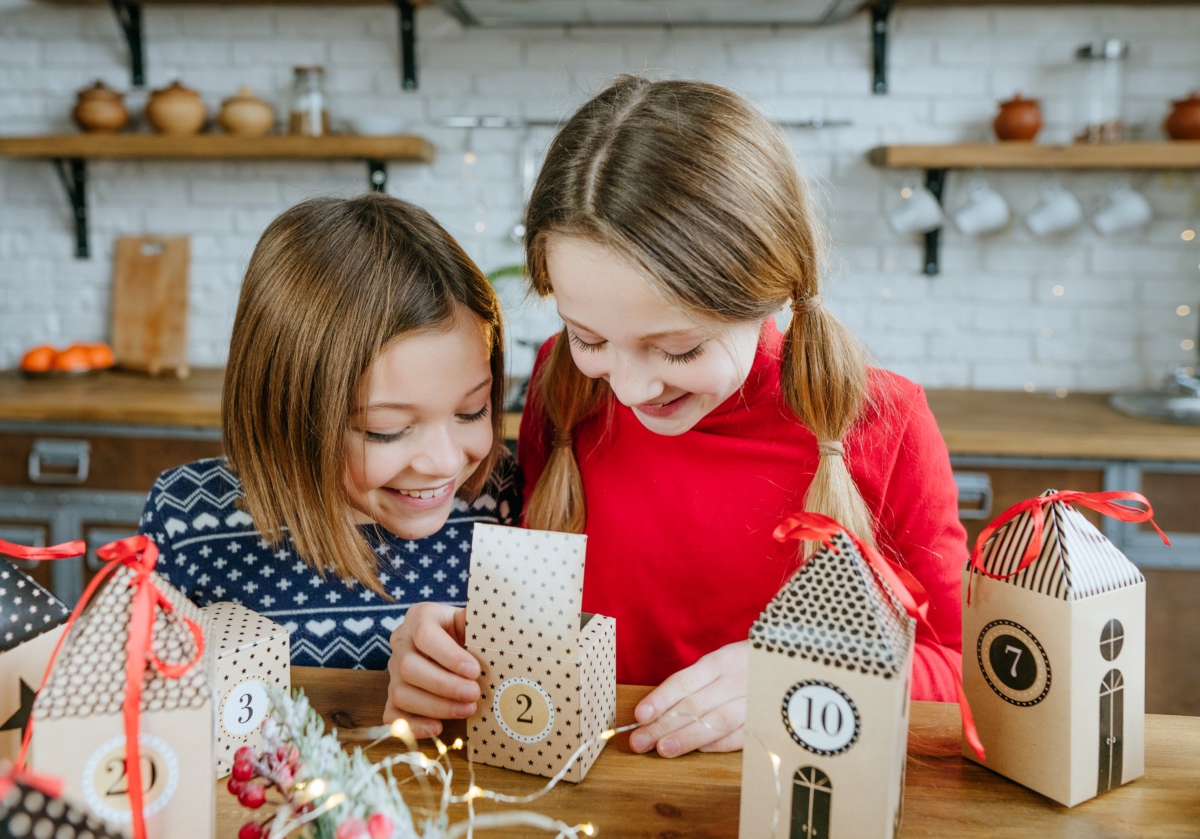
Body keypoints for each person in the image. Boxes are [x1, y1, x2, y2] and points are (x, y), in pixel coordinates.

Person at [384, 77, 967, 753]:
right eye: (589, 337)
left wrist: (808, 675)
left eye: (680, 349)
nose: (630, 389)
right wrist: (454, 647)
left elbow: (965, 673)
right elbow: (542, 626)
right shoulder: (564, 384)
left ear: (770, 291)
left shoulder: (885, 423)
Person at [141, 194, 519, 672]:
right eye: (386, 431)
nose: (445, 462)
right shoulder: (186, 520)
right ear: (285, 412)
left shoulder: (504, 503)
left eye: (471, 411)